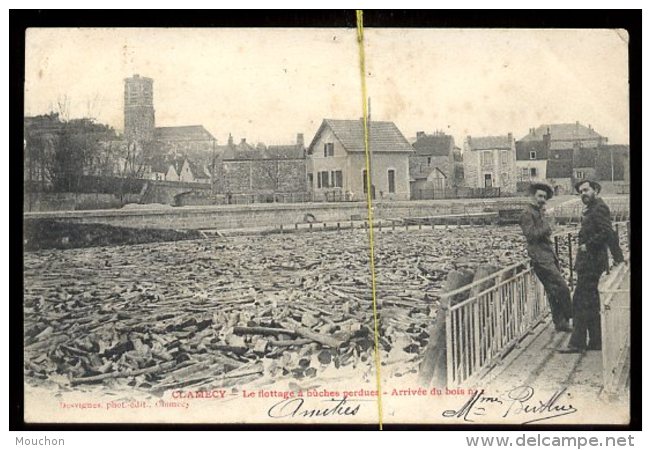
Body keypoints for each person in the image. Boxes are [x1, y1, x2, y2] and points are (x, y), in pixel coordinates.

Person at [562, 179, 613, 353]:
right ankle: (596, 341)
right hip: (590, 262)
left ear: (595, 190)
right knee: (591, 302)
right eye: (580, 192)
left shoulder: (599, 208)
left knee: (579, 302)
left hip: (592, 262)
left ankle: (577, 343)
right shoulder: (593, 208)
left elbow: (606, 232)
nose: (583, 194)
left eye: (586, 190)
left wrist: (588, 245)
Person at [520, 182, 572, 332]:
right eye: (540, 196)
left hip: (548, 256)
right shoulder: (527, 214)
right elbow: (530, 235)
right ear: (532, 196)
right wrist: (548, 226)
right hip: (540, 258)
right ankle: (573, 315)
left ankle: (560, 322)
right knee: (562, 287)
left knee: (553, 290)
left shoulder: (539, 212)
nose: (542, 199)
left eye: (544, 197)